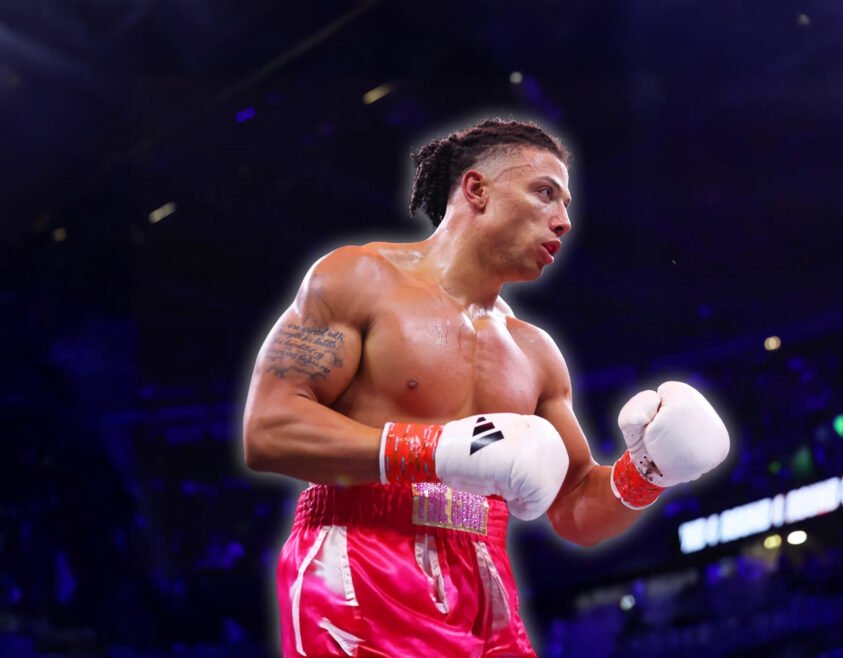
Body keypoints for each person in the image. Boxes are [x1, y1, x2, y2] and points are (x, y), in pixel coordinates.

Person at [242, 118, 730, 658]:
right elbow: (269, 429)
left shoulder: (536, 353)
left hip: (483, 576)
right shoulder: (360, 278)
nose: (564, 221)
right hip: (361, 559)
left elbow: (575, 510)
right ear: (476, 190)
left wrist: (648, 473)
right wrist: (436, 451)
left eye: (566, 204)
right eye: (545, 193)